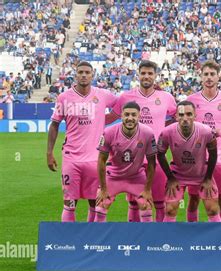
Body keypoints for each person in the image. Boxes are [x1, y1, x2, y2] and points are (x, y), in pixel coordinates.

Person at [47, 61, 117, 222]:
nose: (84, 75)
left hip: (96, 159)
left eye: (87, 72)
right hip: (72, 158)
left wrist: (102, 120)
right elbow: (55, 125)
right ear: (75, 75)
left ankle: (91, 240)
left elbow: (120, 107)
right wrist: (49, 153)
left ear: (92, 75)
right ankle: (69, 241)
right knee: (70, 202)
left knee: (95, 202)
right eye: (81, 72)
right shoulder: (64, 98)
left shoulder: (103, 94)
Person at [110, 60, 176, 222]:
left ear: (155, 76)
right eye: (143, 73)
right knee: (134, 201)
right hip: (133, 156)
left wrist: (164, 130)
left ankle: (159, 239)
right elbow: (112, 117)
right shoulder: (126, 96)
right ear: (138, 75)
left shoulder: (166, 97)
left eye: (150, 73)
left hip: (157, 155)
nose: (146, 76)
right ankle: (135, 238)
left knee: (160, 201)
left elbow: (176, 116)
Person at [186, 60, 221, 222]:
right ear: (201, 77)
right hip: (196, 157)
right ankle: (192, 231)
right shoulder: (192, 100)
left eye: (212, 74)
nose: (209, 78)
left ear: (218, 77)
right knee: (194, 198)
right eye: (206, 74)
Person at [157, 101, 221, 222]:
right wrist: (170, 178)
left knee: (212, 209)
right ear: (176, 116)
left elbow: (213, 154)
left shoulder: (206, 131)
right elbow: (160, 154)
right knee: (170, 209)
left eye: (189, 114)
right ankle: (166, 238)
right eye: (181, 115)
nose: (185, 118)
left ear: (195, 115)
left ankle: (217, 239)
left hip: (202, 175)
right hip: (177, 175)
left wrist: (208, 178)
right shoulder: (166, 132)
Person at [95, 101, 156, 222]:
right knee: (101, 207)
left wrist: (148, 190)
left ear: (139, 116)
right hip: (114, 176)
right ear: (121, 116)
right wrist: (103, 189)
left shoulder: (148, 133)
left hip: (136, 176)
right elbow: (101, 161)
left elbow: (152, 163)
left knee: (146, 206)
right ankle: (99, 240)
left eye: (134, 115)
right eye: (127, 114)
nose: (130, 118)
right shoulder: (109, 132)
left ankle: (147, 239)